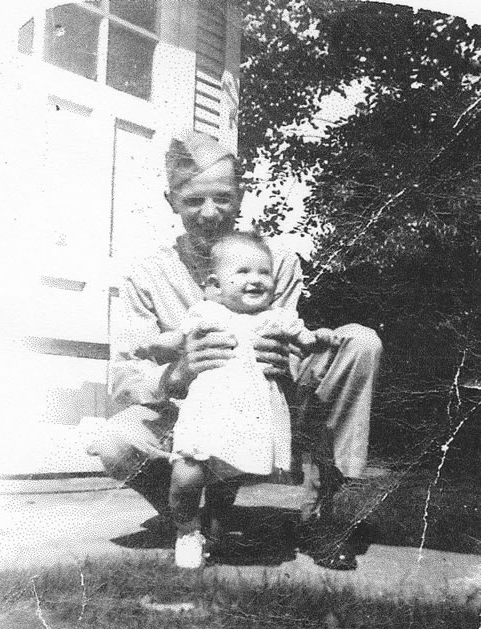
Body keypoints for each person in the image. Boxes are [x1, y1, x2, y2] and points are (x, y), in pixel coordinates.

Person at [87, 130, 383, 569]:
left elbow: (293, 337)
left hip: (267, 401)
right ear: (172, 201)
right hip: (190, 411)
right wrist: (178, 373)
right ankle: (187, 516)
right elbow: (124, 376)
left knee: (361, 341)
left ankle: (323, 517)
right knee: (114, 440)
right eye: (194, 201)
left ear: (240, 197)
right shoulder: (147, 275)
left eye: (223, 199)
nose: (210, 214)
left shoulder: (274, 261)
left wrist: (287, 357)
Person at [155, 231, 340, 568]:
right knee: (188, 473)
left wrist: (319, 338)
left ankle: (215, 530)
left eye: (263, 273)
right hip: (206, 411)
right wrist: (158, 346)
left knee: (227, 480)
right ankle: (186, 530)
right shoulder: (207, 312)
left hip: (248, 418)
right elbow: (177, 338)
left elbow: (305, 339)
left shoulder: (276, 317)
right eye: (242, 272)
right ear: (215, 284)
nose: (255, 280)